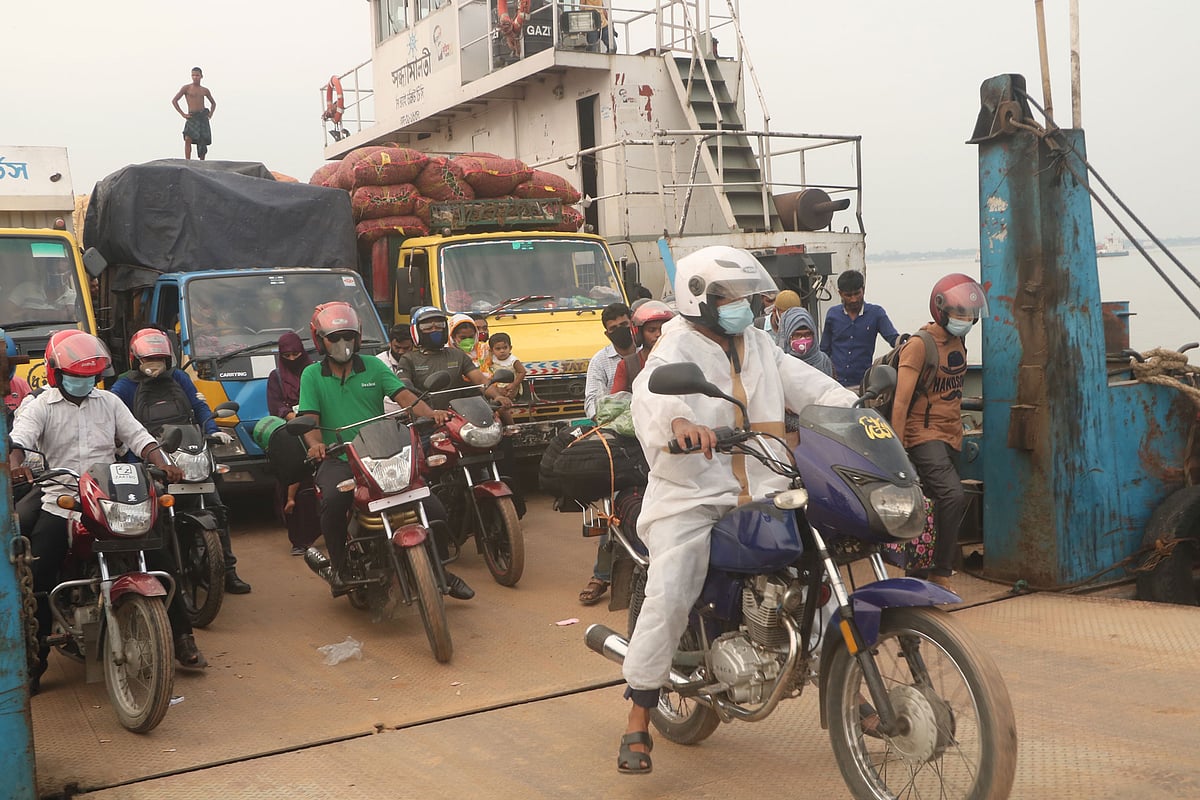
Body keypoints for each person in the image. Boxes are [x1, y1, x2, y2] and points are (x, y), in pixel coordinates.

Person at [615, 246, 855, 774]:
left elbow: (806, 383)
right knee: (672, 586)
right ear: (700, 298)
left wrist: (854, 409)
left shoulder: (760, 343)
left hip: (767, 487)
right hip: (693, 495)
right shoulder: (674, 346)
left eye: (748, 297)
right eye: (732, 298)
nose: (743, 307)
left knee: (820, 564)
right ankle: (638, 716)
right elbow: (652, 397)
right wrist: (680, 427)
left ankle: (855, 692)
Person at [7, 331, 199, 690]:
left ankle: (184, 636)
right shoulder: (38, 407)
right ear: (55, 372)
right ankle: (36, 662)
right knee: (41, 572)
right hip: (61, 500)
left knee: (158, 554)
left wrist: (164, 461)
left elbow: (140, 438)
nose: (83, 383)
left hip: (109, 496)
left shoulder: (109, 402)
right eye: (75, 376)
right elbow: (20, 440)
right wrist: (16, 463)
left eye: (89, 378)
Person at [296, 302, 474, 600]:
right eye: (334, 338)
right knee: (333, 502)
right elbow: (309, 420)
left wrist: (431, 414)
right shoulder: (312, 375)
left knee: (434, 509)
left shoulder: (375, 367)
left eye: (348, 336)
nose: (343, 344)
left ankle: (441, 571)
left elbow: (404, 396)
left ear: (358, 337)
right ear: (320, 340)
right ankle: (340, 570)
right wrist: (316, 445)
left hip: (379, 454)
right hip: (340, 458)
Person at [110, 328, 251, 594]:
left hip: (189, 458)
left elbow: (200, 407)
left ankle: (228, 570)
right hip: (148, 465)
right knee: (149, 520)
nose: (155, 365)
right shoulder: (123, 387)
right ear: (135, 359)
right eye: (148, 359)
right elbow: (115, 423)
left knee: (216, 508)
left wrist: (212, 430)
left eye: (160, 359)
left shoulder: (180, 378)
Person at [889, 273, 987, 589]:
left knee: (929, 508)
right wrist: (896, 452)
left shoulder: (958, 340)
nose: (965, 320)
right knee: (953, 496)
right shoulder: (920, 345)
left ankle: (915, 581)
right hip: (922, 435)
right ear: (941, 311)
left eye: (969, 315)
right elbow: (901, 403)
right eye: (959, 314)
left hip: (952, 436)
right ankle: (941, 573)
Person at [579, 302, 637, 606]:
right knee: (614, 503)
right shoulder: (601, 361)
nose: (621, 330)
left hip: (655, 435)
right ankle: (601, 575)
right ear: (607, 332)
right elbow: (593, 404)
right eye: (614, 328)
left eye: (625, 323)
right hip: (620, 439)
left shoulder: (652, 351)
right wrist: (619, 411)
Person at [265, 332, 319, 555]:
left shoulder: (315, 371)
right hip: (293, 434)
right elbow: (275, 405)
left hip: (318, 428)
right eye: (287, 355)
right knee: (293, 485)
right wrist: (294, 418)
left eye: (296, 353)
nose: (292, 358)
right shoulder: (276, 377)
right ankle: (299, 540)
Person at [820, 269, 899, 389]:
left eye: (857, 293)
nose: (854, 299)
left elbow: (894, 339)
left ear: (863, 290)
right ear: (840, 293)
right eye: (848, 295)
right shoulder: (832, 315)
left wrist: (911, 344)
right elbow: (824, 351)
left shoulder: (876, 314)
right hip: (835, 385)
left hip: (863, 385)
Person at [610, 300, 675, 394]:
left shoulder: (680, 359)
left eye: (662, 329)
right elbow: (616, 402)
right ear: (639, 334)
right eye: (651, 330)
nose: (658, 334)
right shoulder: (627, 365)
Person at [5, 255, 79, 322]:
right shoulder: (25, 288)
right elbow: (9, 314)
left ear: (69, 274)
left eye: (59, 272)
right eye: (51, 271)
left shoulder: (73, 297)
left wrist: (28, 312)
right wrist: (54, 314)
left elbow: (66, 316)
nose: (54, 274)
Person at [172, 66, 216, 160]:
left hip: (202, 117)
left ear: (201, 76)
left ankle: (202, 162)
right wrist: (183, 114)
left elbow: (213, 103)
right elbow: (175, 100)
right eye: (193, 75)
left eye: (197, 75)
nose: (195, 77)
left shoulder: (204, 90)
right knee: (188, 138)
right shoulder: (186, 88)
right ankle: (188, 160)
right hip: (192, 116)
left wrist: (210, 114)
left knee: (202, 140)